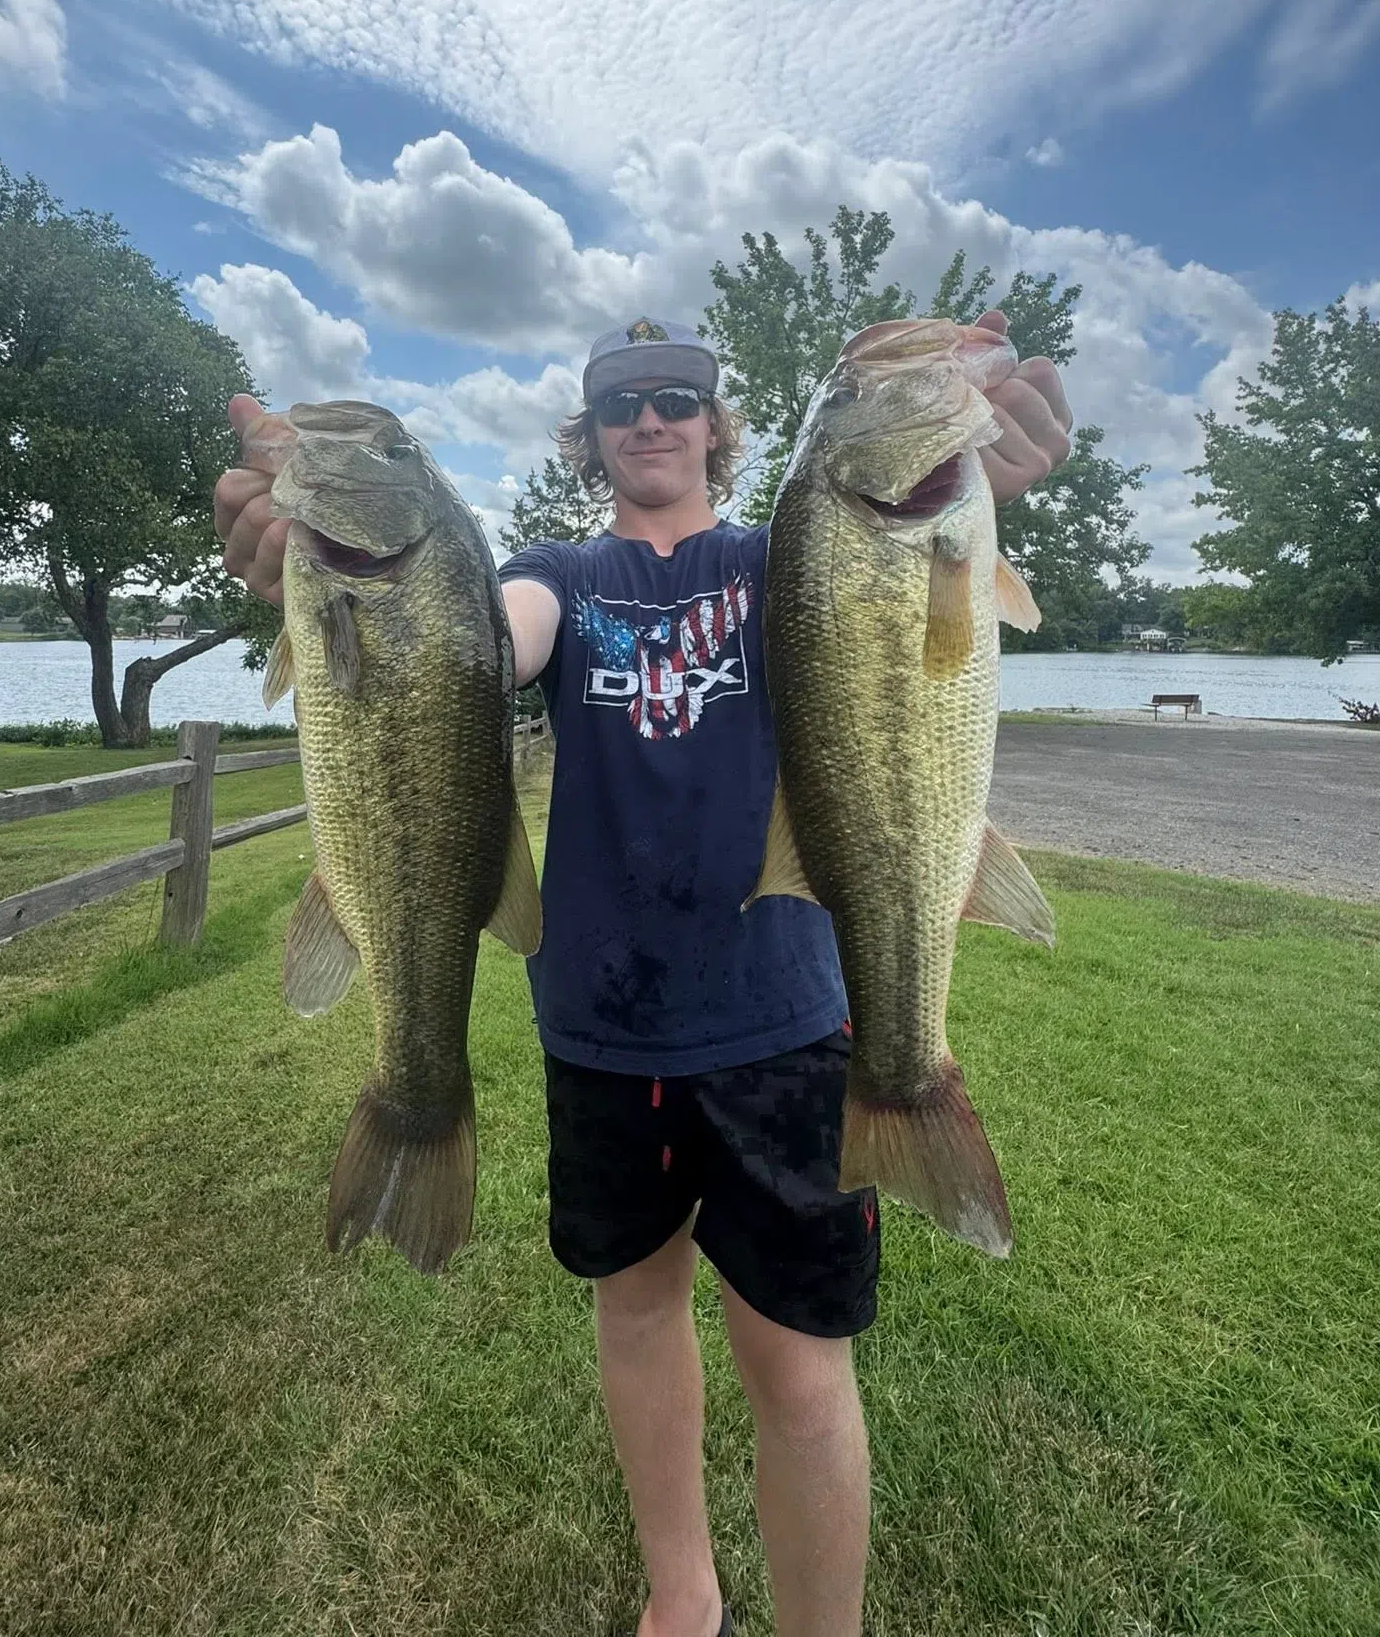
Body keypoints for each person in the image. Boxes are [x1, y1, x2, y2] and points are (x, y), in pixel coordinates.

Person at [214, 310, 1072, 1637]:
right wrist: (343, 582)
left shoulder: (787, 556)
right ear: (591, 435)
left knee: (799, 1364)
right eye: (622, 404)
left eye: (677, 397)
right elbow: (495, 639)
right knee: (636, 1312)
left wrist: (976, 480)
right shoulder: (556, 574)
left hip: (785, 1020)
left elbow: (891, 594)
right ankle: (684, 1595)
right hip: (602, 1024)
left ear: (718, 427)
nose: (651, 420)